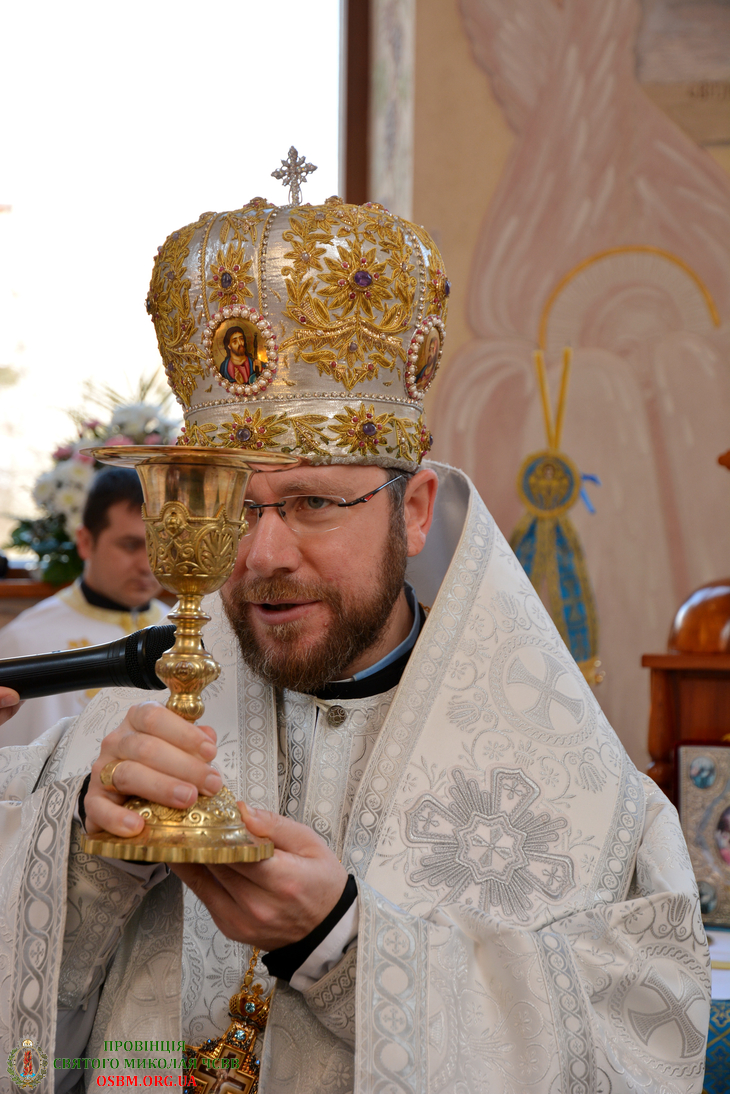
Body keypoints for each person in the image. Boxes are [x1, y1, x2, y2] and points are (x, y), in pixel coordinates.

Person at [0, 192, 709, 1094]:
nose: (264, 554)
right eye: (237, 507)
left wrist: (341, 944)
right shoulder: (125, 737)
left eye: (313, 503)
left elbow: (637, 1053)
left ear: (414, 512)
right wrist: (83, 862)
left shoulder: (581, 794)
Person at [0, 467, 167, 746]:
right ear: (86, 542)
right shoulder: (25, 641)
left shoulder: (184, 629)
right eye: (130, 545)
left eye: (160, 544)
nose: (148, 565)